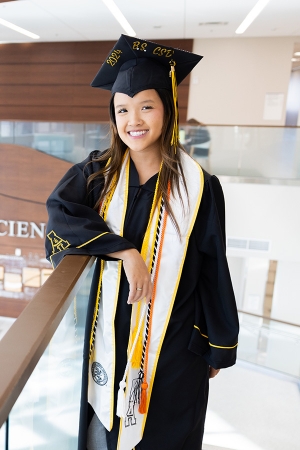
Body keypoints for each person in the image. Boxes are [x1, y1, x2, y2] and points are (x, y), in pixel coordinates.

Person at [45, 34, 239, 450]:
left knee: (165, 435)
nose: (133, 119)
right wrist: (124, 249)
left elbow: (212, 265)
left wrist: (216, 344)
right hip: (107, 339)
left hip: (174, 346)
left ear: (167, 110)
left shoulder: (200, 187)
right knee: (105, 434)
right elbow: (60, 213)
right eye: (122, 109)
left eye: (146, 106)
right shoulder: (98, 173)